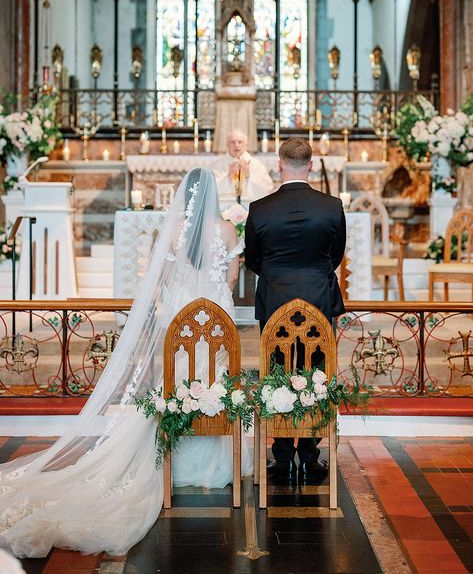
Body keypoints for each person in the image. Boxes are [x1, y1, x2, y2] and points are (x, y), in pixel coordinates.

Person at [0, 168, 252, 558]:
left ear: (185, 195)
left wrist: (177, 304)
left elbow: (160, 279)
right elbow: (232, 280)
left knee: (176, 385)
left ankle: (170, 461)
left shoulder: (172, 232)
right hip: (217, 321)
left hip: (179, 319)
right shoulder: (228, 232)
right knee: (213, 385)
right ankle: (209, 465)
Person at [244, 137, 346, 484]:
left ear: (279, 164)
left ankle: (282, 455)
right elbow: (336, 255)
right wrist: (313, 274)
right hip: (318, 297)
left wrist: (280, 275)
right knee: (317, 372)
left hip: (275, 299)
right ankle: (311, 456)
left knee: (278, 372)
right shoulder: (332, 207)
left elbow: (254, 259)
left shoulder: (259, 209)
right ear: (312, 165)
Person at [212, 129, 273, 207]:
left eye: (240, 142)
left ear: (246, 145)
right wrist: (228, 178)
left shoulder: (257, 164)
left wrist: (249, 176)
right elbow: (211, 191)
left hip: (251, 208)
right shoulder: (217, 165)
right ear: (227, 145)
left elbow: (268, 189)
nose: (236, 145)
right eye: (232, 142)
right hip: (225, 208)